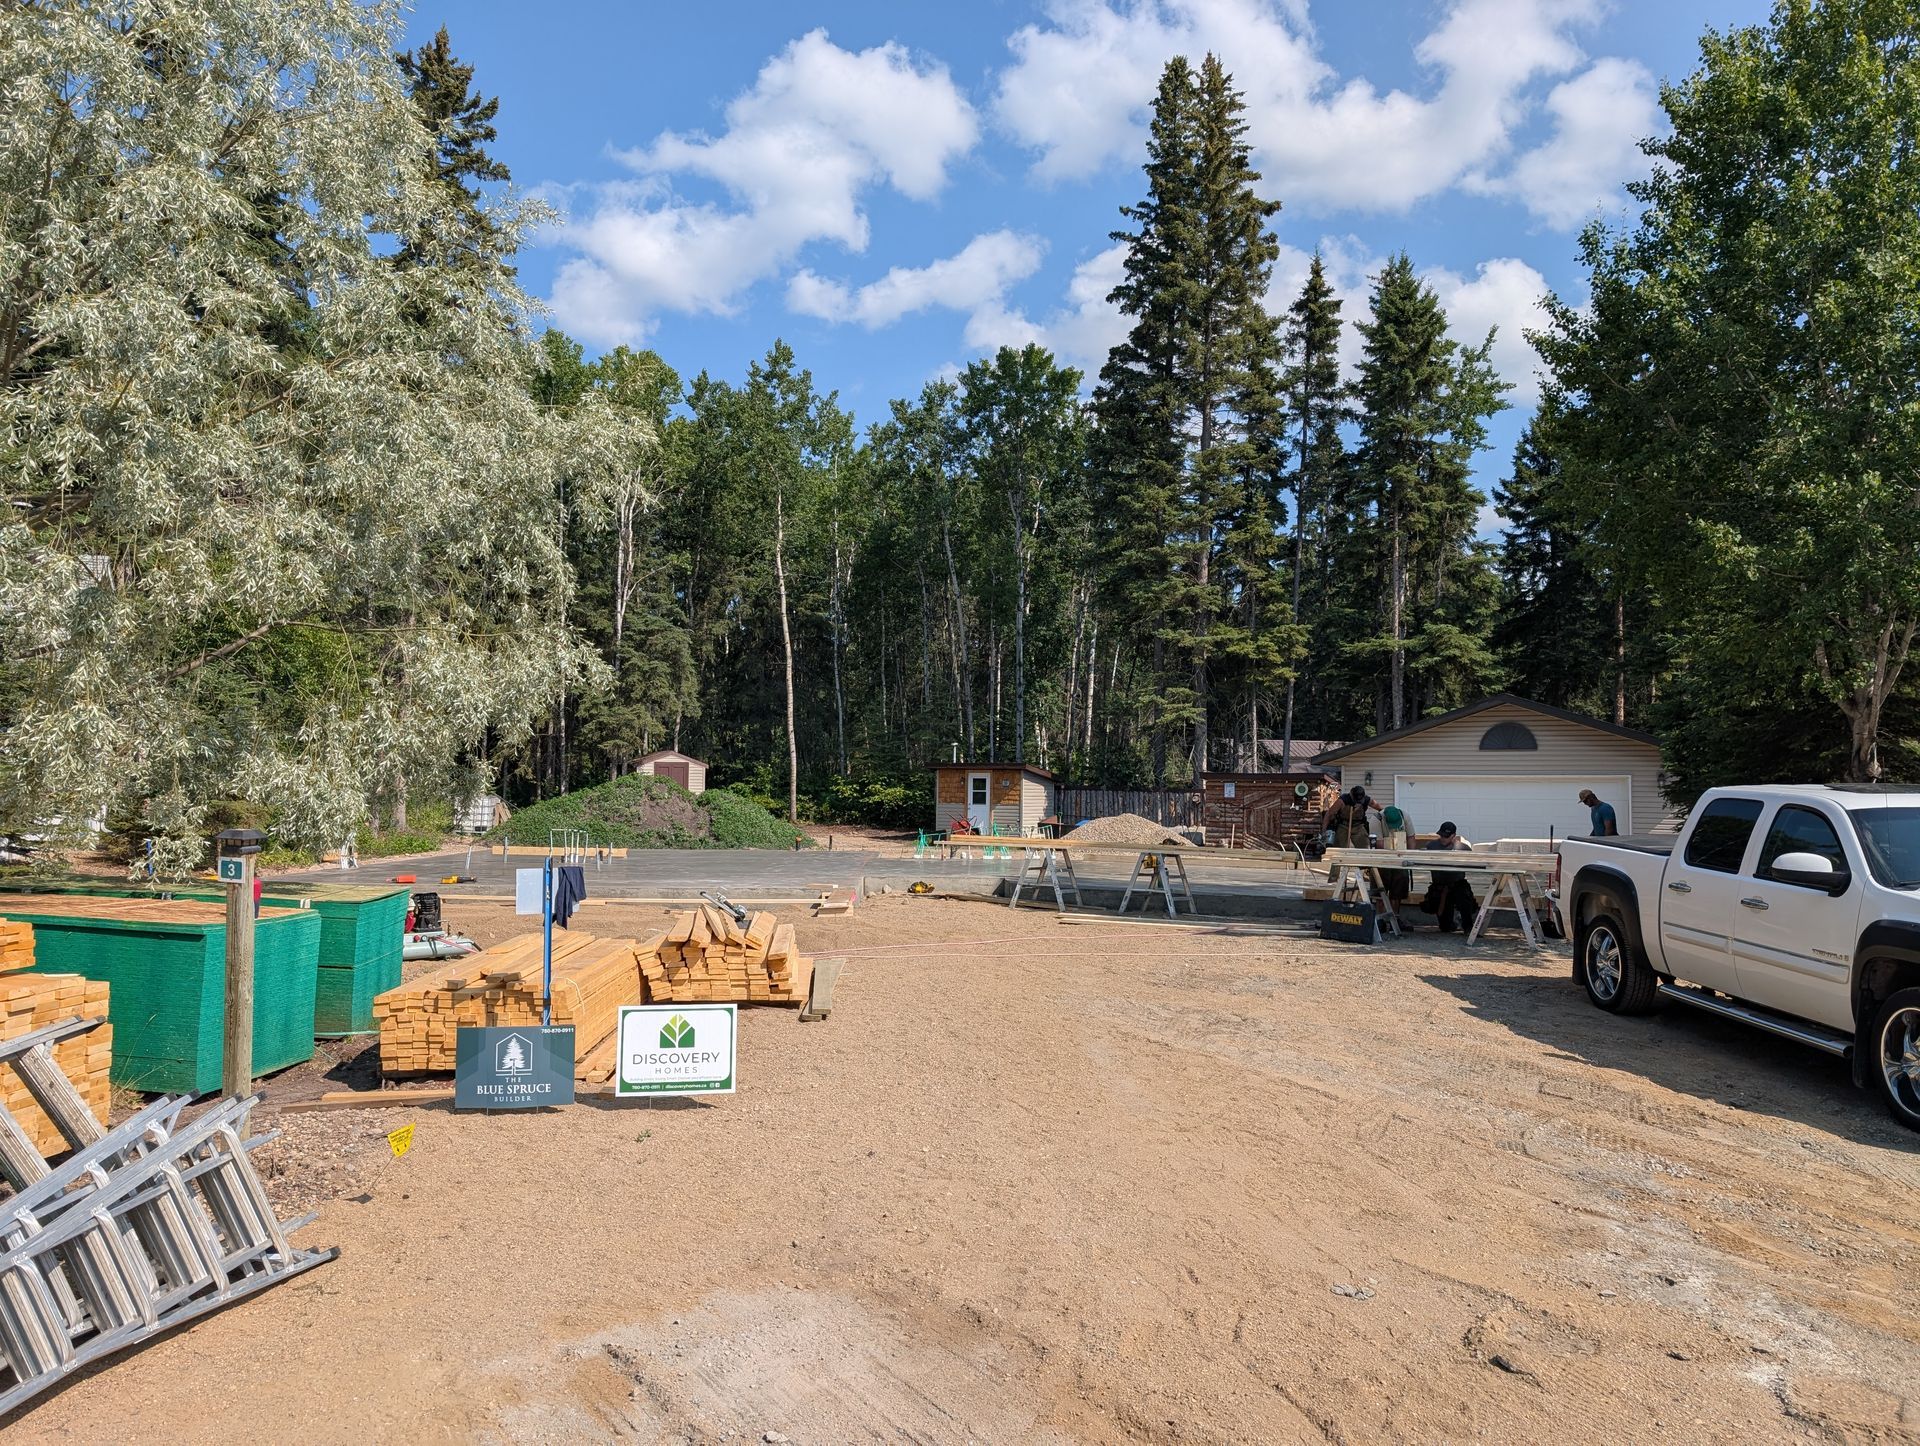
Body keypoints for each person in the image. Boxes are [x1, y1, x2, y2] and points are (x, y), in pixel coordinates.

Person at [1420, 822, 1477, 933]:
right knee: (1445, 927)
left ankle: (1467, 925)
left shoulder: (1463, 849)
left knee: (1465, 899)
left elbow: (1475, 864)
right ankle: (1450, 923)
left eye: (1446, 836)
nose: (1443, 839)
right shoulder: (1431, 846)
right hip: (1440, 886)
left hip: (1457, 884)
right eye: (1441, 836)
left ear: (1453, 836)